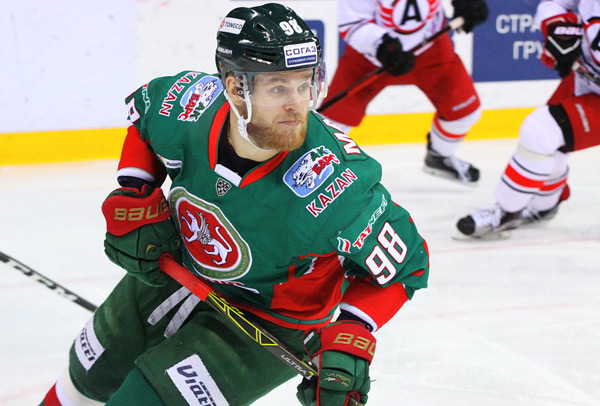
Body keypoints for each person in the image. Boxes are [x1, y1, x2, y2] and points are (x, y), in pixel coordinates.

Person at [40, 4, 430, 406]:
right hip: (173, 267)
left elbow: (409, 265)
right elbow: (146, 125)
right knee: (84, 380)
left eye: (305, 84)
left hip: (268, 325)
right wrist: (136, 191)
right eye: (278, 88)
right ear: (234, 86)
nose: (297, 104)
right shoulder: (188, 104)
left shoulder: (337, 185)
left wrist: (353, 330)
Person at [456, 0, 599, 238]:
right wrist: (559, 31)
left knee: (541, 131)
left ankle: (507, 211)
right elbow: (555, 4)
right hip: (583, 79)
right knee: (550, 147)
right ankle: (544, 205)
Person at [317, 0, 489, 185]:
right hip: (371, 57)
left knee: (465, 112)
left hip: (432, 48)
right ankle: (315, 171)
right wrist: (382, 46)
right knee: (331, 123)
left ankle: (440, 157)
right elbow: (353, 22)